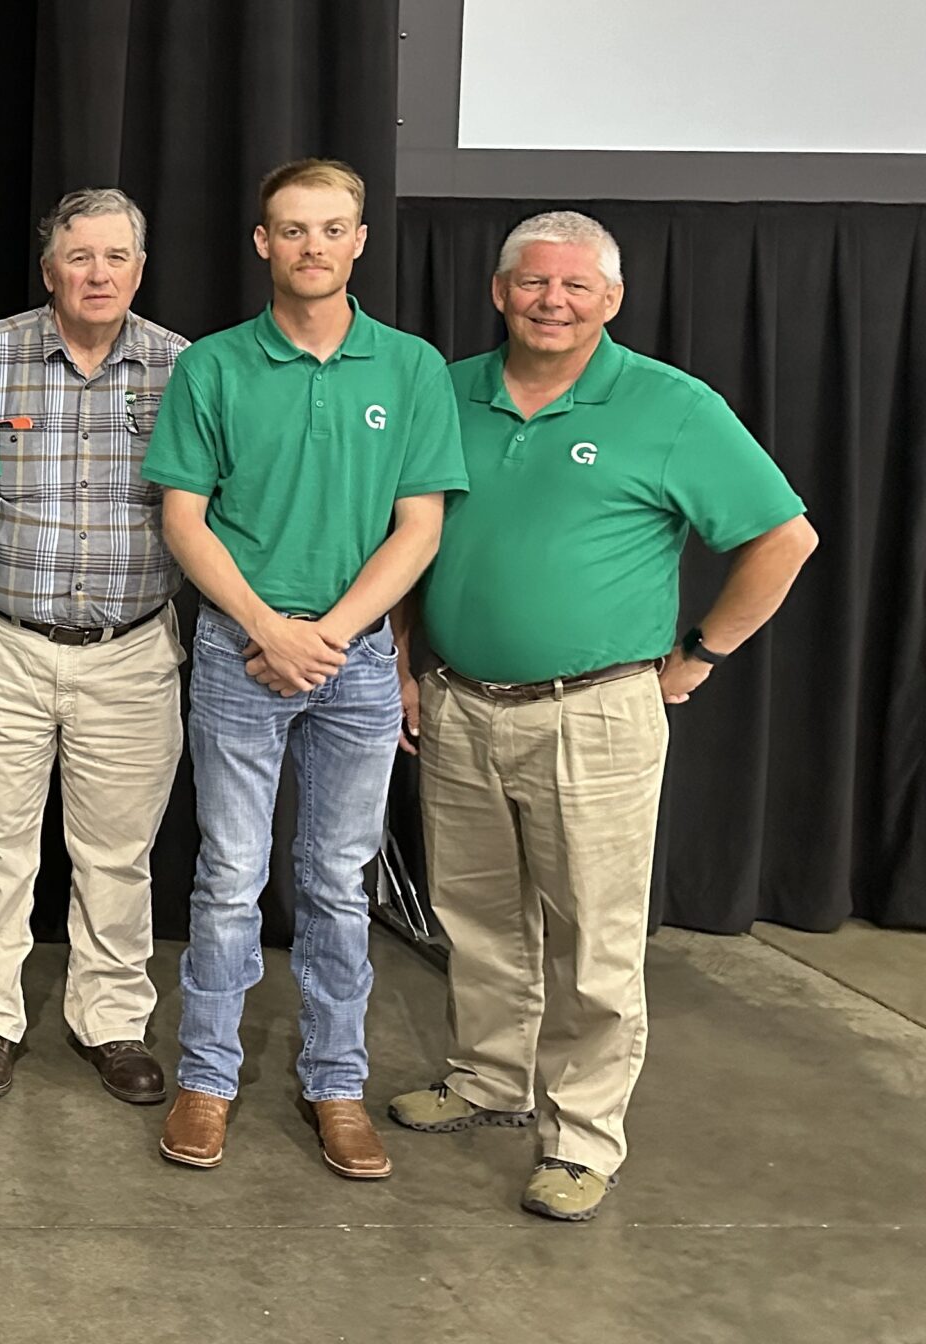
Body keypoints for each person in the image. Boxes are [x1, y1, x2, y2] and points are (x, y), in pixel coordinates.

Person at [388, 211, 817, 1221]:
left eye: (576, 287)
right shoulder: (443, 392)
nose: (553, 301)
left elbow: (782, 539)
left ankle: (580, 1139)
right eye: (533, 283)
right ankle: (489, 1077)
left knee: (595, 932)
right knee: (478, 915)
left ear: (611, 300)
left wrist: (698, 658)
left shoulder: (669, 406)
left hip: (596, 713)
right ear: (499, 292)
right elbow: (409, 537)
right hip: (458, 701)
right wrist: (407, 663)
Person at [140, 158, 467, 1179]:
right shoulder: (214, 368)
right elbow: (182, 518)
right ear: (261, 244)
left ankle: (335, 1084)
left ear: (359, 240)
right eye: (292, 230)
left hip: (358, 663)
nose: (312, 247)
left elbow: (420, 527)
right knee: (230, 876)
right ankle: (206, 1077)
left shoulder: (409, 368)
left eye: (331, 229)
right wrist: (264, 626)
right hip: (240, 656)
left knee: (335, 881)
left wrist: (327, 633)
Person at [0, 188, 190, 1106]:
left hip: (130, 650)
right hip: (3, 639)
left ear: (139, 268)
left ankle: (113, 1020)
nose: (98, 274)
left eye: (116, 257)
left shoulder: (184, 370)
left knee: (119, 853)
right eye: (79, 257)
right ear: (50, 270)